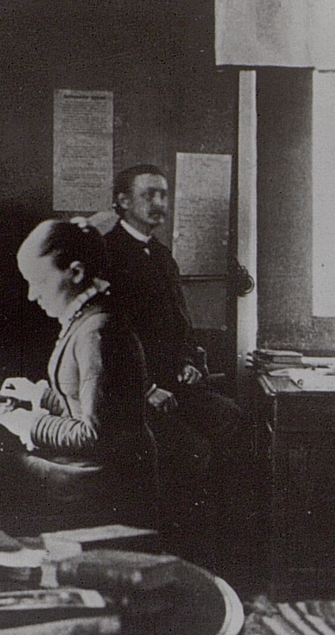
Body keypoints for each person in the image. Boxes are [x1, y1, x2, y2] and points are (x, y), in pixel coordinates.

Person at [0, 219, 158, 538]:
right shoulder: (86, 319)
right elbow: (84, 401)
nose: (32, 295)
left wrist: (31, 424)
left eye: (39, 282)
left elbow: (93, 433)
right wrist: (39, 395)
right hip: (96, 468)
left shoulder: (97, 332)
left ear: (76, 272)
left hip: (104, 481)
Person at [101, 165, 248, 530]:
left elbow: (180, 324)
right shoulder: (107, 254)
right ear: (123, 201)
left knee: (232, 419)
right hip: (134, 394)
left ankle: (223, 537)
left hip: (175, 383)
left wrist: (189, 360)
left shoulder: (162, 256)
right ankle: (180, 540)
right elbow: (108, 337)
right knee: (191, 450)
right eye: (148, 195)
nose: (159, 203)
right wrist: (146, 388)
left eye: (163, 195)